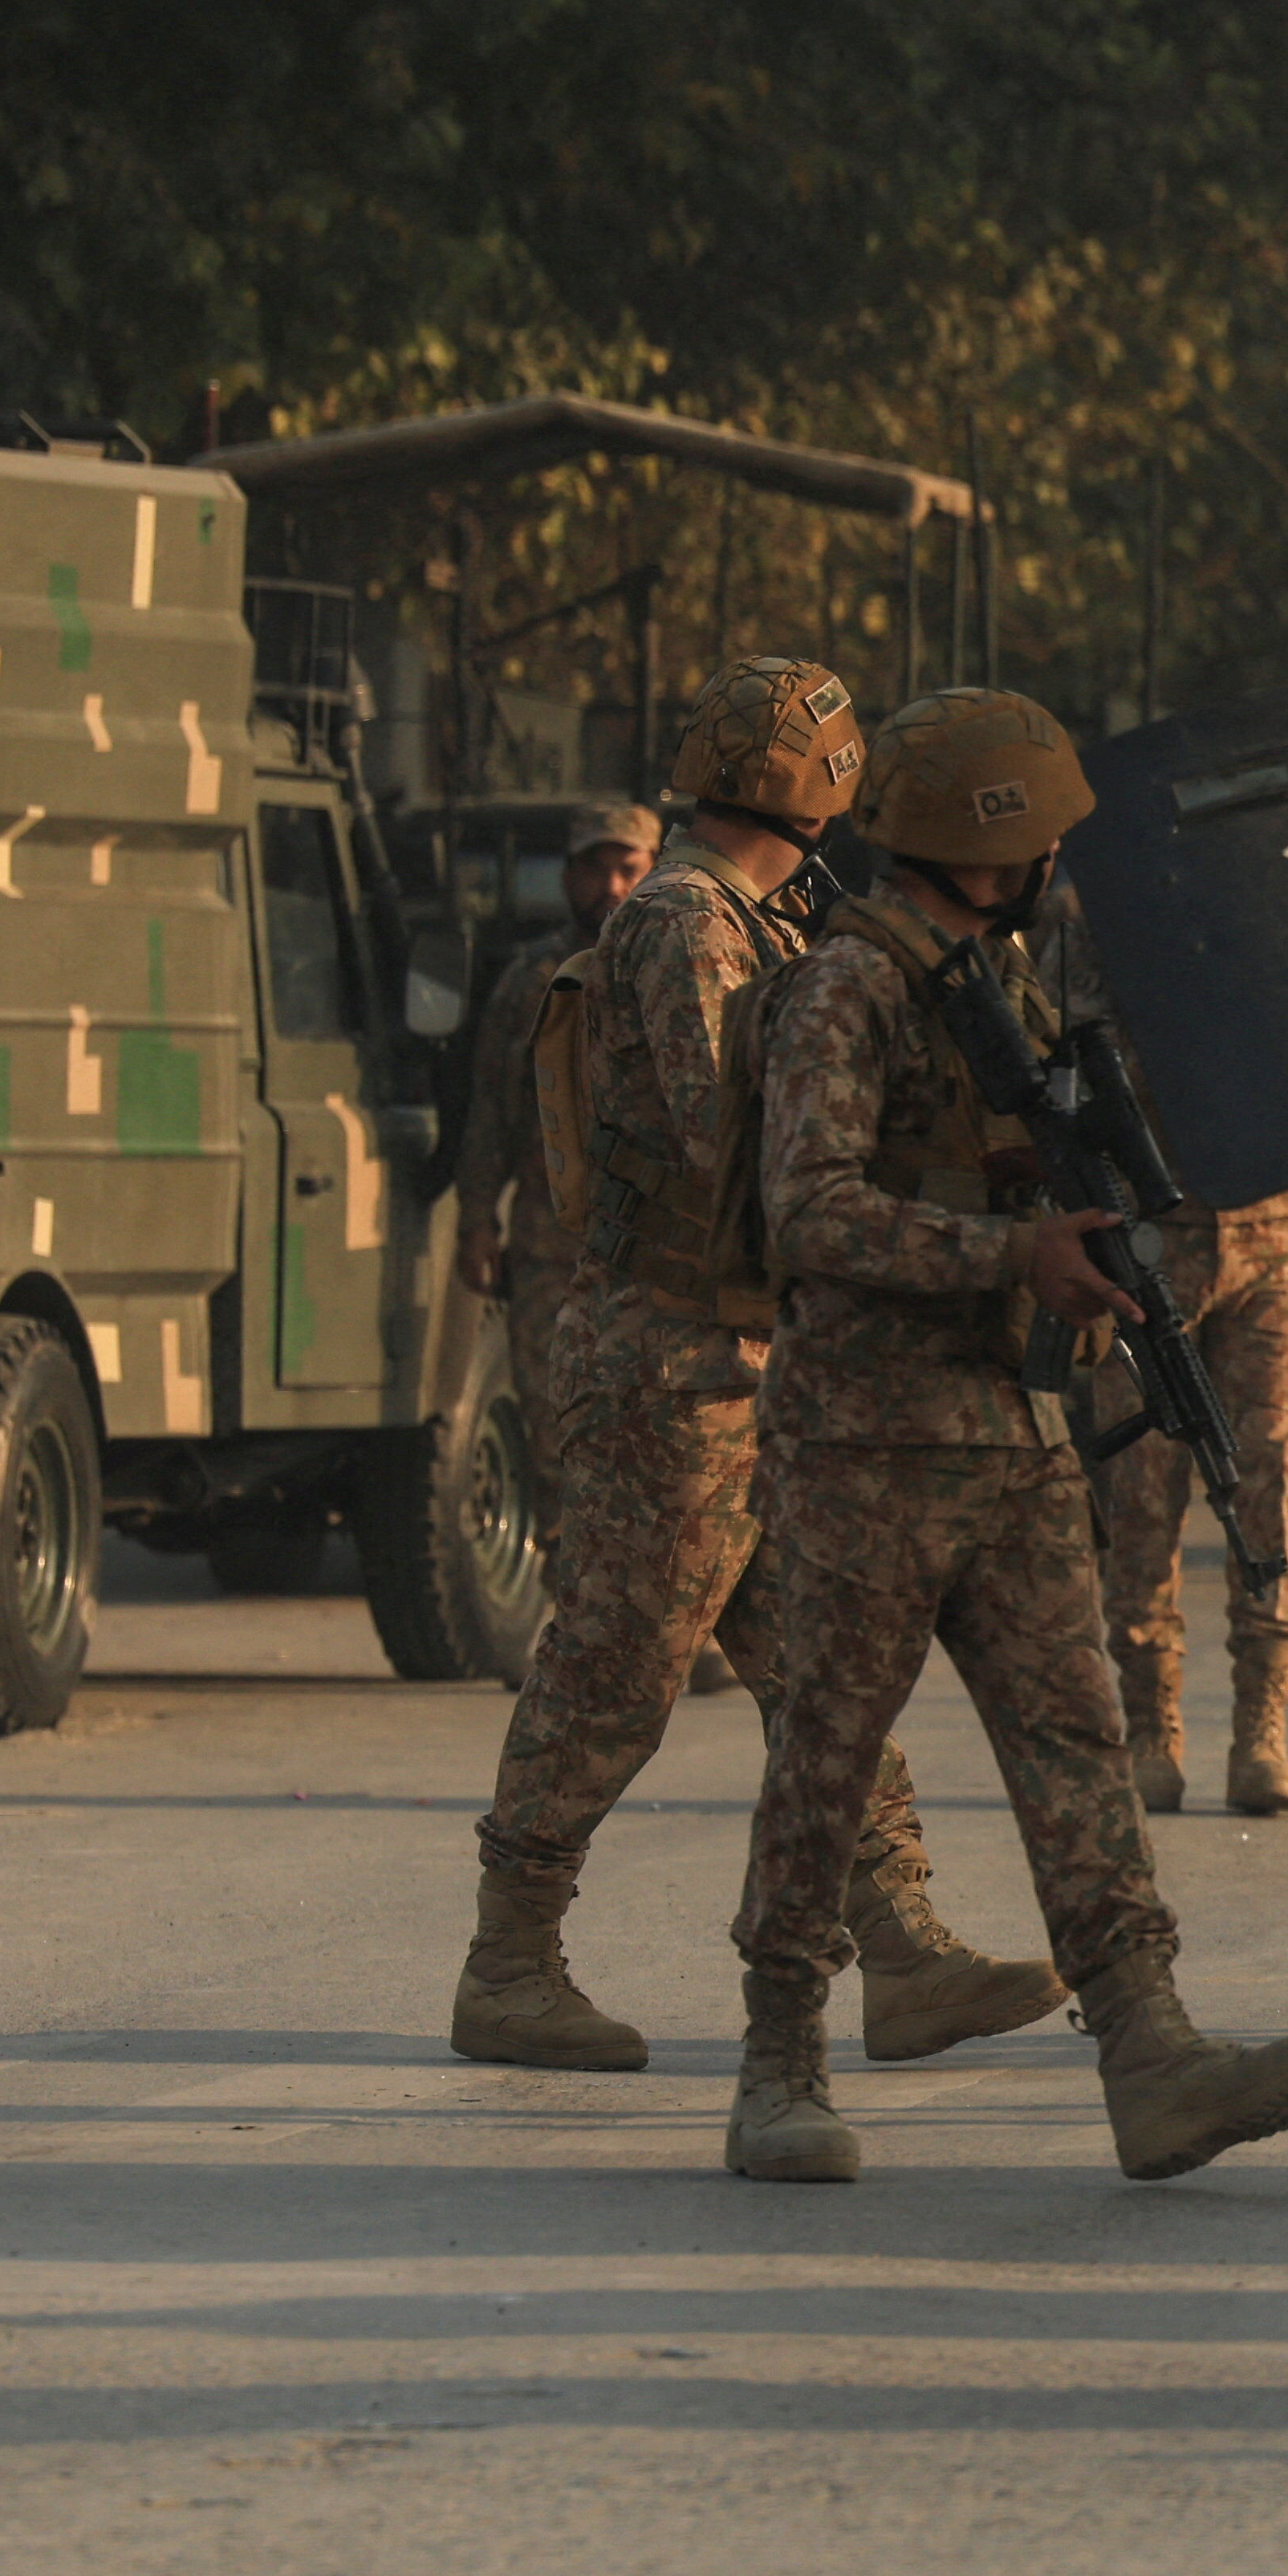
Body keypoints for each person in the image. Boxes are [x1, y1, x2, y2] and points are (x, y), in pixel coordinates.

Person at [724, 684, 1288, 2183]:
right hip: (864, 1443)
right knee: (828, 1759)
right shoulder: (849, 990)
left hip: (1008, 1433)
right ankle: (777, 2063)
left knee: (1076, 1741)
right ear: (991, 838)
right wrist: (1010, 1255)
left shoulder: (1001, 982)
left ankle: (1151, 2049)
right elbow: (808, 1210)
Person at [448, 657, 1058, 2077]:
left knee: (824, 1666)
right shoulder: (690, 927)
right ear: (827, 781)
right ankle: (508, 1961)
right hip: (680, 1367)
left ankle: (900, 1949)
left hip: (747, 1358)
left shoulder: (751, 917)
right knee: (618, 1662)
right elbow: (745, 1139)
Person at [1029, 901, 1288, 1816]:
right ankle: (1153, 1728)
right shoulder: (1105, 909)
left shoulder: (1284, 894)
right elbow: (1063, 1055)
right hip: (1152, 1238)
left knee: (1270, 1481)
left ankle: (1260, 1732)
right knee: (1145, 1493)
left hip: (1272, 1234)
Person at [449, 799, 656, 1532]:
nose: (611, 887)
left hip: (659, 1255)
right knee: (556, 1433)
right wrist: (477, 1223)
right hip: (550, 1253)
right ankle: (573, 1616)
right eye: (595, 870)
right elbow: (493, 1111)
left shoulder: (675, 973)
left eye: (627, 869)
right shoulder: (532, 983)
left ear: (652, 872)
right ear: (568, 877)